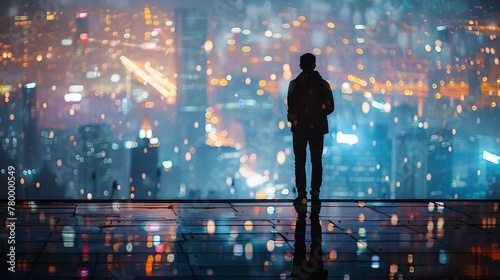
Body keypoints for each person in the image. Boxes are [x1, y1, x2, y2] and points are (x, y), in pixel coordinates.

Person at [287, 53, 334, 217]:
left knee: (299, 161)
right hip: (317, 128)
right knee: (316, 160)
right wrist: (316, 113)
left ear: (300, 65)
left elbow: (291, 109)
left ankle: (301, 193)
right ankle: (315, 193)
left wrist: (301, 116)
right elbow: (330, 108)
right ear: (315, 65)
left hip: (300, 128)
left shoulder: (294, 85)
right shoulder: (323, 85)